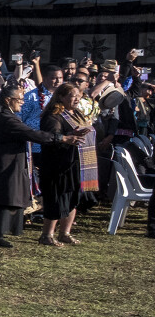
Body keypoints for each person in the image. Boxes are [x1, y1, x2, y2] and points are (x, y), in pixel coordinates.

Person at [0, 84, 78, 248]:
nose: (22, 102)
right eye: (19, 99)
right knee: (3, 199)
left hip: (8, 163)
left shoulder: (6, 116)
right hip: (5, 164)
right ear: (8, 100)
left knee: (7, 198)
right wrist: (61, 138)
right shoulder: (6, 119)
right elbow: (31, 134)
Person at [37, 83, 94, 246]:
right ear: (61, 97)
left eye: (78, 96)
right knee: (56, 198)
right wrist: (70, 135)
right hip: (57, 165)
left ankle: (65, 233)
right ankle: (47, 235)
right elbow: (51, 137)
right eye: (72, 96)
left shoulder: (77, 113)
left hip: (75, 163)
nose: (77, 99)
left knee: (72, 197)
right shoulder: (54, 115)